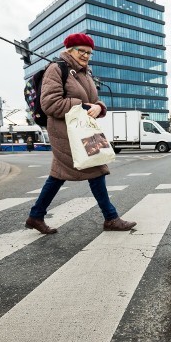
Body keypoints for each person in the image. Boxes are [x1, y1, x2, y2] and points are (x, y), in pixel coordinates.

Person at [25, 33, 136, 234]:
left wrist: (99, 107)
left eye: (89, 53)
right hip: (66, 133)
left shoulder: (85, 73)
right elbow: (50, 104)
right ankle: (111, 217)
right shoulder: (56, 69)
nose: (85, 55)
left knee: (58, 176)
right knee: (97, 171)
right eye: (81, 51)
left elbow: (94, 100)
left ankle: (35, 215)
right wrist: (83, 106)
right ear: (69, 50)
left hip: (84, 130)